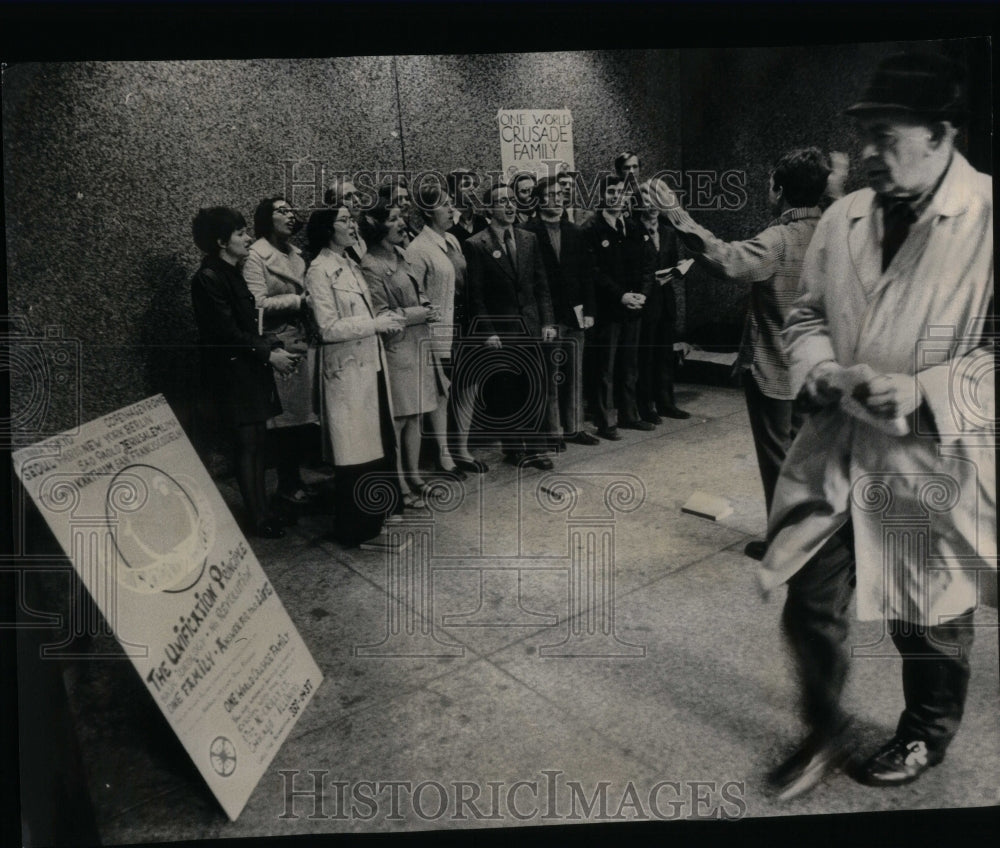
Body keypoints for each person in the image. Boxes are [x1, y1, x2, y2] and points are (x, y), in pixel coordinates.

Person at [757, 52, 995, 799]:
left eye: (885, 134)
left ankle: (927, 733)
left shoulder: (988, 216)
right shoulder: (842, 216)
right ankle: (824, 728)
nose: (863, 153)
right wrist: (823, 367)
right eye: (860, 133)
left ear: (941, 133)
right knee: (809, 599)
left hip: (929, 452)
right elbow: (806, 316)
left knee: (925, 615)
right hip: (836, 439)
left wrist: (921, 391)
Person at [653, 147, 835, 558]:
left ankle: (786, 544)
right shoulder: (832, 231)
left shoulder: (779, 239)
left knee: (779, 461)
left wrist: (676, 214)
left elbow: (729, 260)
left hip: (776, 371)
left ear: (779, 189)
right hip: (820, 369)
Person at [190, 206, 298, 538]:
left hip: (246, 370)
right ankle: (258, 517)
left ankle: (262, 511)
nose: (247, 238)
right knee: (247, 444)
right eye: (240, 233)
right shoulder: (209, 277)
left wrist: (269, 341)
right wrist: (269, 353)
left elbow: (242, 324)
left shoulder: (228, 271)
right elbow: (226, 333)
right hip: (233, 375)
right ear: (222, 241)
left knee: (256, 441)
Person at [304, 206, 406, 546]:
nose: (352, 226)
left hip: (369, 368)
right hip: (347, 372)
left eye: (352, 220)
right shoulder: (319, 270)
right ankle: (357, 531)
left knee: (373, 450)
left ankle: (374, 523)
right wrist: (374, 324)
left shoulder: (349, 263)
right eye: (344, 220)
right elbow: (327, 327)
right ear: (327, 229)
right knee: (354, 457)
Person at [361, 199, 449, 509]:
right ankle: (398, 482)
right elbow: (382, 313)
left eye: (401, 218)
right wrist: (421, 313)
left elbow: (418, 290)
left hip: (416, 343)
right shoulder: (370, 265)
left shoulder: (401, 255)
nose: (402, 224)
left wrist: (425, 306)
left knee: (415, 416)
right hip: (397, 348)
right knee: (399, 420)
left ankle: (414, 476)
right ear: (377, 227)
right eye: (394, 219)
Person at [463, 181, 556, 469]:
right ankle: (514, 447)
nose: (509, 204)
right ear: (489, 209)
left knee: (535, 387)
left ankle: (538, 448)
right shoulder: (477, 244)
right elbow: (475, 295)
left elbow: (542, 285)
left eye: (512, 200)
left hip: (530, 325)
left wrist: (547, 321)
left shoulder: (528, 239)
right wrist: (488, 332)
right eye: (502, 200)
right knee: (509, 390)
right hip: (502, 331)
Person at [243, 196, 319, 517]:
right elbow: (256, 304)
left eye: (291, 210)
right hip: (277, 341)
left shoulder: (296, 255)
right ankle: (287, 484)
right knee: (285, 421)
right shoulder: (255, 256)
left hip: (302, 339)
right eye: (281, 211)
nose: (290, 215)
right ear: (265, 218)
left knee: (301, 417)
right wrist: (297, 301)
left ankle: (294, 480)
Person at [406, 183, 485, 475]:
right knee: (443, 391)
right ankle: (444, 455)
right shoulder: (418, 249)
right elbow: (416, 293)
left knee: (468, 384)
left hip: (464, 324)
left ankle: (462, 448)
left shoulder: (452, 239)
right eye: (445, 205)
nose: (453, 209)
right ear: (428, 211)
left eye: (453, 204)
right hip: (439, 329)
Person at [522, 176, 600, 448]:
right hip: (548, 317)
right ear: (539, 199)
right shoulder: (528, 232)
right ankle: (553, 432)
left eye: (560, 194)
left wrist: (589, 310)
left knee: (575, 374)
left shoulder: (574, 231)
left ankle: (575, 428)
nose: (556, 199)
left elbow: (587, 275)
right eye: (550, 194)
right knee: (551, 378)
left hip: (574, 316)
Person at [582, 174, 655, 440]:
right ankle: (605, 421)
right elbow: (594, 272)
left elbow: (649, 264)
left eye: (621, 192)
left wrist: (643, 295)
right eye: (611, 191)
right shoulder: (591, 229)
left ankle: (630, 415)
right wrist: (621, 295)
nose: (616, 197)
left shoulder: (635, 227)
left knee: (629, 364)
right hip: (607, 310)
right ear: (602, 195)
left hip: (634, 307)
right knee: (605, 368)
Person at [635, 180, 691, 423]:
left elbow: (675, 259)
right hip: (645, 302)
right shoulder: (632, 231)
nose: (652, 206)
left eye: (656, 200)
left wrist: (680, 268)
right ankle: (645, 406)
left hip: (666, 300)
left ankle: (666, 402)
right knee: (645, 357)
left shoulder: (668, 232)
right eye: (647, 200)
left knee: (665, 355)